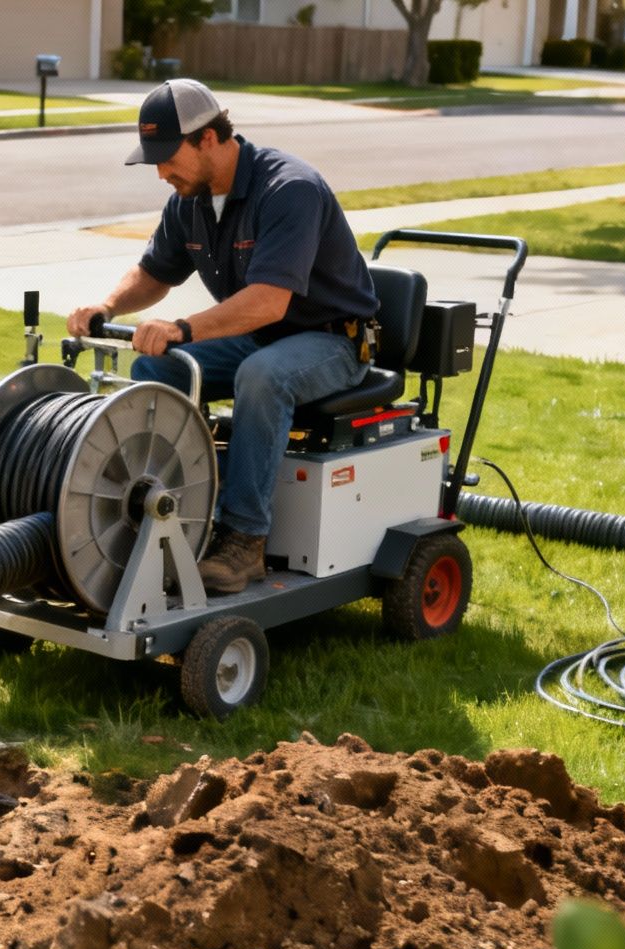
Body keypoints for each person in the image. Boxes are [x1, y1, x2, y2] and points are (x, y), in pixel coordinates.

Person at [67, 78, 379, 596]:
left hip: (333, 342)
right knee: (157, 366)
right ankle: (177, 505)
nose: (162, 172)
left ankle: (243, 542)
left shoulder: (289, 188)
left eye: (168, 157)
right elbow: (154, 273)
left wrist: (183, 328)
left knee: (262, 377)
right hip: (262, 337)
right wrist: (108, 305)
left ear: (208, 138)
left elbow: (267, 301)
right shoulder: (188, 199)